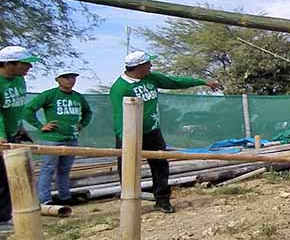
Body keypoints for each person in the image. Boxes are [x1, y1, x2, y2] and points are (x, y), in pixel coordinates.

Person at [109, 51, 221, 214]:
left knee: (160, 166)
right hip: (130, 135)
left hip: (153, 132)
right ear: (139, 67)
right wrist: (125, 138)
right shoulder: (120, 87)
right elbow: (119, 115)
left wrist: (202, 82)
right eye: (148, 64)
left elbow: (175, 81)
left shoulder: (151, 78)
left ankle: (162, 200)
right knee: (128, 169)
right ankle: (129, 203)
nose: (151, 66)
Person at [24, 70, 92, 205]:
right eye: (66, 77)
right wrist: (40, 125)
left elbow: (88, 112)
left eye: (73, 77)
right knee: (48, 168)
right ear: (58, 79)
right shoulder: (50, 95)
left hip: (71, 138)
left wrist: (82, 124)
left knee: (64, 169)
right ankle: (44, 200)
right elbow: (28, 110)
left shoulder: (78, 97)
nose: (70, 80)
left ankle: (65, 197)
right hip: (52, 139)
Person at [0, 46, 41, 233]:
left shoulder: (19, 81)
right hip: (1, 135)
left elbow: (15, 108)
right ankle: (2, 221)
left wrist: (20, 127)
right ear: (9, 64)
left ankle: (6, 217)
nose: (29, 68)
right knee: (1, 178)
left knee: (12, 176)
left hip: (11, 133)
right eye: (25, 64)